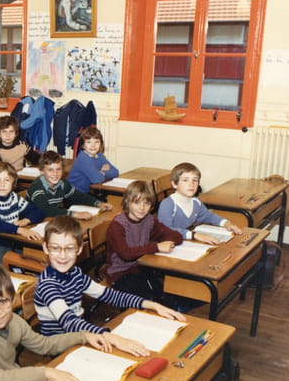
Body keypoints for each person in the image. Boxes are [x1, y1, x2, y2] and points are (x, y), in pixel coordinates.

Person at [34, 215, 185, 356]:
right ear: (46, 248)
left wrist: (152, 305)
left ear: (79, 249)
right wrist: (115, 339)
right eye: (55, 248)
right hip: (60, 349)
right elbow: (69, 322)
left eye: (69, 248)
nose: (62, 255)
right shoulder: (48, 285)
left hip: (80, 338)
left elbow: (109, 295)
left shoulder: (75, 273)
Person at [105, 181, 183, 300]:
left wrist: (162, 243)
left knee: (165, 293)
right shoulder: (118, 225)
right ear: (127, 202)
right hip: (119, 273)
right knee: (150, 299)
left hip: (141, 267)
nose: (142, 208)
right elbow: (125, 254)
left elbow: (176, 236)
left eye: (146, 203)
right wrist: (156, 247)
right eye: (136, 202)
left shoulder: (149, 220)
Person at [0, 161, 44, 265]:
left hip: (11, 243)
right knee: (6, 272)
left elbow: (38, 211)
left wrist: (26, 220)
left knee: (33, 262)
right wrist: (20, 230)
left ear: (13, 183)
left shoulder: (14, 197)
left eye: (7, 180)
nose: (2, 184)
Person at [157, 162, 242, 244]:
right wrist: (195, 235)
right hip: (167, 243)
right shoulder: (168, 204)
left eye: (195, 180)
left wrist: (226, 223)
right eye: (185, 180)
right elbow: (165, 230)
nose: (191, 184)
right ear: (174, 184)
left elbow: (208, 216)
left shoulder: (195, 202)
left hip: (185, 240)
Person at [27, 150, 111, 219]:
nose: (55, 173)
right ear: (41, 171)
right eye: (50, 170)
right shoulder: (36, 188)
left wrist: (98, 203)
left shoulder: (62, 184)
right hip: (32, 223)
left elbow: (79, 196)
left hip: (50, 220)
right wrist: (75, 214)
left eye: (58, 169)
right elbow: (46, 210)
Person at [67, 127, 118, 193]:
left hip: (88, 191)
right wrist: (102, 172)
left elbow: (115, 172)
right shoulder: (83, 158)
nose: (93, 145)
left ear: (101, 144)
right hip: (74, 193)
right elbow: (97, 179)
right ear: (83, 145)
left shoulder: (99, 156)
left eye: (96, 142)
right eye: (89, 142)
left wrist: (101, 173)